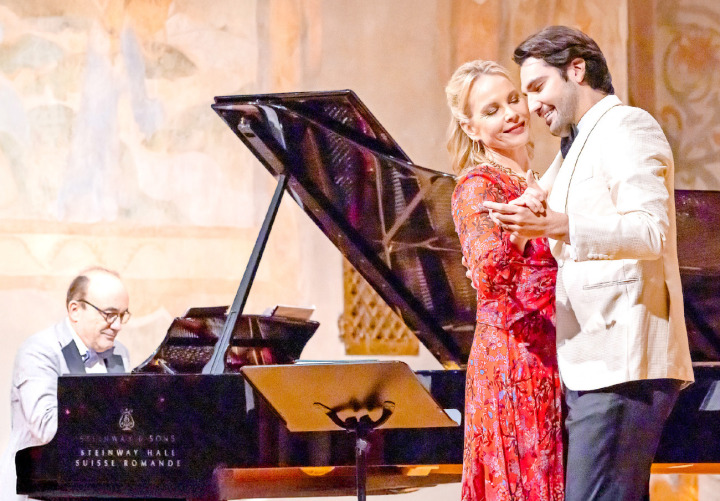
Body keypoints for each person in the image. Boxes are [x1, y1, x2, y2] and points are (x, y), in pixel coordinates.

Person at [484, 26, 694, 501]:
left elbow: (651, 231)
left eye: (538, 88)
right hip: (594, 364)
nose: (533, 106)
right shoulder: (578, 144)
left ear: (576, 69)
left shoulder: (626, 126)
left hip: (624, 363)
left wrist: (561, 225)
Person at [446, 59, 564, 501]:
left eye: (513, 100)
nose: (511, 114)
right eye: (491, 109)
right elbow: (488, 275)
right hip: (515, 365)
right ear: (471, 127)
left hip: (558, 356)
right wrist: (522, 226)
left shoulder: (539, 177)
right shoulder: (478, 186)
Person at [0, 267, 132, 501]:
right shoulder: (39, 352)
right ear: (75, 310)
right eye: (109, 314)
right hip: (39, 492)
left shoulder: (119, 353)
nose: (118, 325)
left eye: (122, 315)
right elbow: (47, 427)